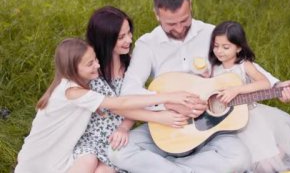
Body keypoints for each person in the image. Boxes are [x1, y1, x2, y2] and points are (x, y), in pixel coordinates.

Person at [108, 0, 290, 173]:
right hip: (167, 124)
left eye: (184, 20)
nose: (179, 28)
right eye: (170, 24)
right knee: (117, 151)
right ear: (156, 15)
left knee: (239, 158)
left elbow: (240, 64)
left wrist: (276, 84)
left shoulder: (210, 33)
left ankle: (164, 168)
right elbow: (129, 92)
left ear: (190, 6)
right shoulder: (147, 45)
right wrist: (168, 104)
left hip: (211, 126)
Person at [14, 38, 197, 173]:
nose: (97, 65)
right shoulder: (73, 92)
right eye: (90, 64)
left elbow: (125, 103)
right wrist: (167, 97)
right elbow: (121, 103)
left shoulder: (75, 85)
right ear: (72, 69)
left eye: (95, 59)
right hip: (39, 161)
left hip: (58, 156)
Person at [72, 6, 192, 173]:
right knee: (86, 164)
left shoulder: (132, 64)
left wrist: (124, 128)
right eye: (121, 37)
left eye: (129, 33)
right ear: (105, 39)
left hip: (117, 137)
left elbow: (138, 102)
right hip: (92, 136)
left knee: (103, 171)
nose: (129, 40)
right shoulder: (91, 67)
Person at [209, 21, 290, 172]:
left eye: (226, 47)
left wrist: (237, 90)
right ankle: (283, 148)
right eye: (216, 46)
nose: (219, 51)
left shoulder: (243, 65)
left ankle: (286, 151)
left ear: (239, 48)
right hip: (228, 121)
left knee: (264, 161)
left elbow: (265, 83)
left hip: (251, 117)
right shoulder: (213, 68)